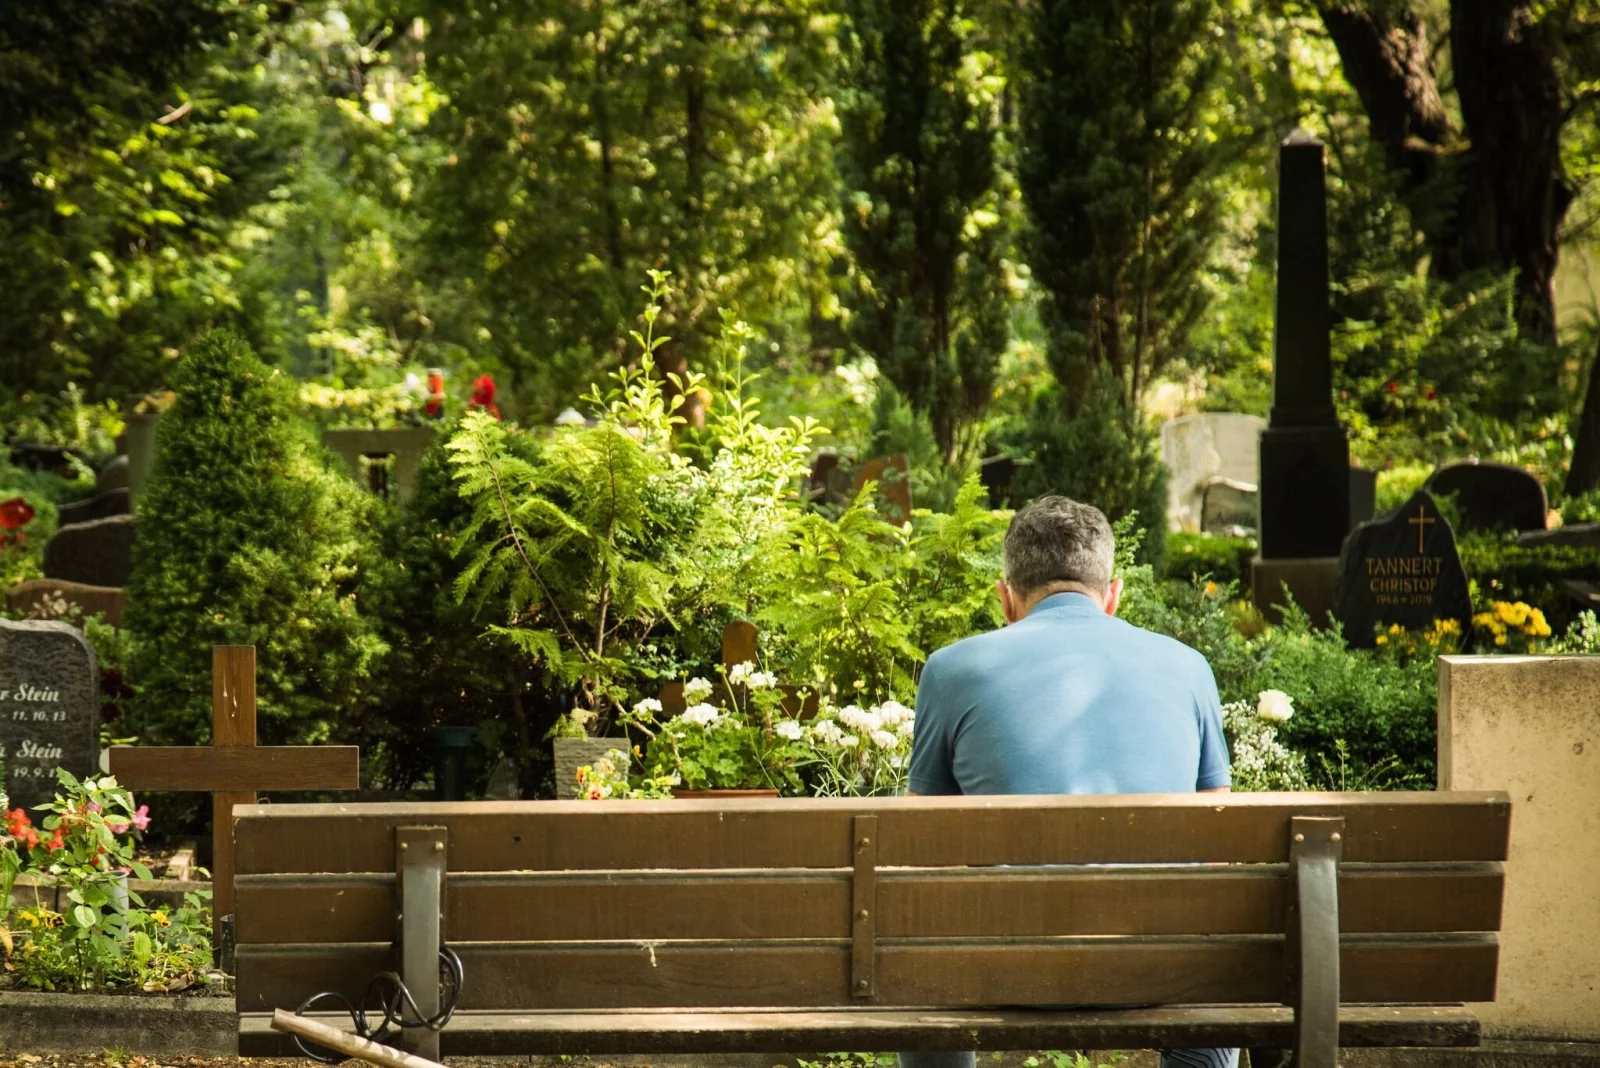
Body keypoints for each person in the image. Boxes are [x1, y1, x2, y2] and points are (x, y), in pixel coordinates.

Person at [904, 495, 1237, 1068]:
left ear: (1006, 599)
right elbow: (1218, 846)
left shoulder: (950, 670)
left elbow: (919, 848)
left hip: (999, 968)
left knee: (925, 943)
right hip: (1160, 967)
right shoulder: (1189, 667)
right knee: (1209, 944)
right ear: (1113, 595)